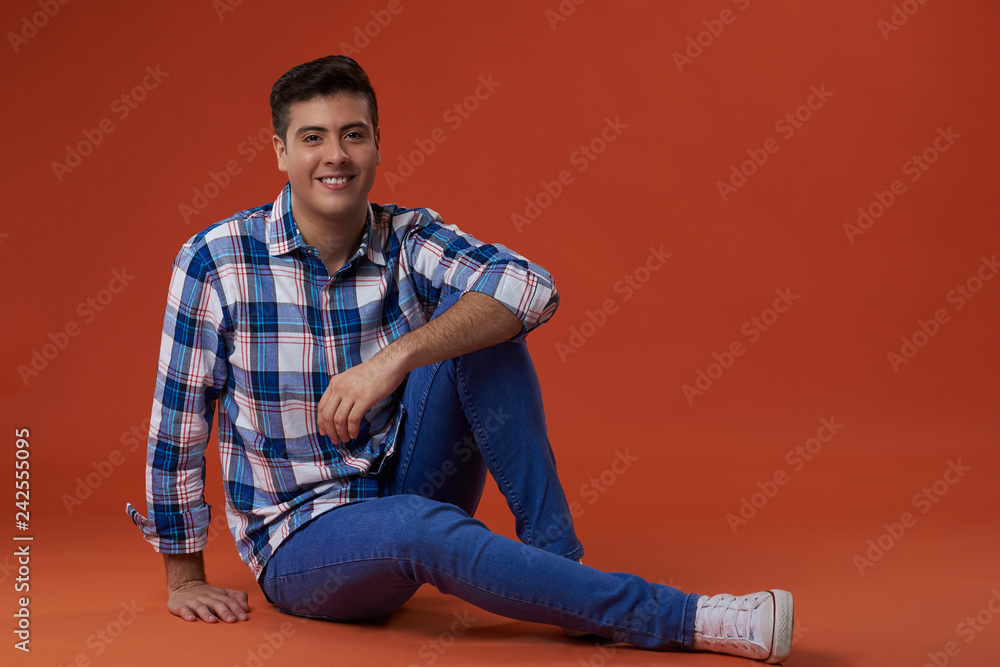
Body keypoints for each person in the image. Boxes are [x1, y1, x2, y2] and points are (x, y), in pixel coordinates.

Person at [126, 55, 794, 663]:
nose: (337, 155)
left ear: (377, 145)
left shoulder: (410, 236)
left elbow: (532, 287)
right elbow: (177, 420)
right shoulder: (217, 260)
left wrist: (394, 357)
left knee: (488, 324)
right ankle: (683, 616)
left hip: (407, 476)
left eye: (354, 134)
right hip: (302, 546)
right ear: (280, 151)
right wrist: (183, 574)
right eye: (313, 137)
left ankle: (558, 565)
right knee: (419, 524)